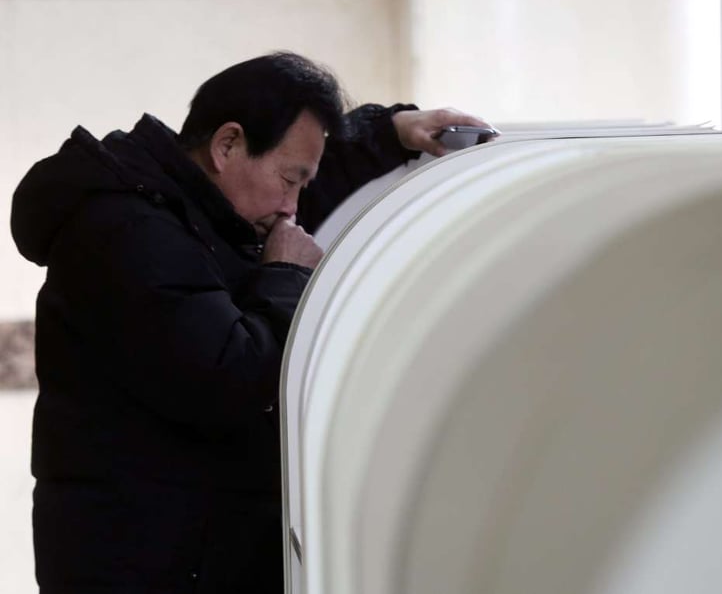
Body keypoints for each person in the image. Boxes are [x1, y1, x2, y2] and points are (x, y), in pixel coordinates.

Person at [10, 51, 493, 594]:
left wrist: (389, 132)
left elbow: (307, 177)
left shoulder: (202, 207)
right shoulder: (127, 231)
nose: (292, 207)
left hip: (192, 550)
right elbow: (229, 380)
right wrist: (287, 276)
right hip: (142, 565)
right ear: (227, 145)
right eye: (290, 180)